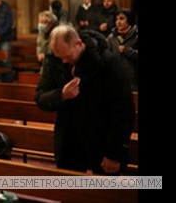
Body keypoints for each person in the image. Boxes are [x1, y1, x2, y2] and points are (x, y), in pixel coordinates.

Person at [34, 25, 135, 175]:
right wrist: (61, 94)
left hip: (102, 139)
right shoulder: (55, 60)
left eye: (67, 56)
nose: (63, 61)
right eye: (59, 57)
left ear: (79, 44)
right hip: (69, 141)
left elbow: (123, 110)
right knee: (71, 193)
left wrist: (114, 153)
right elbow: (40, 97)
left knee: (105, 195)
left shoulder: (107, 62)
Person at [107, 9, 138, 91]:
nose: (118, 22)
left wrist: (127, 51)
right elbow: (106, 55)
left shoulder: (136, 36)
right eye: (116, 19)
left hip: (133, 79)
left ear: (129, 19)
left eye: (121, 19)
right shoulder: (111, 37)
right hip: (115, 77)